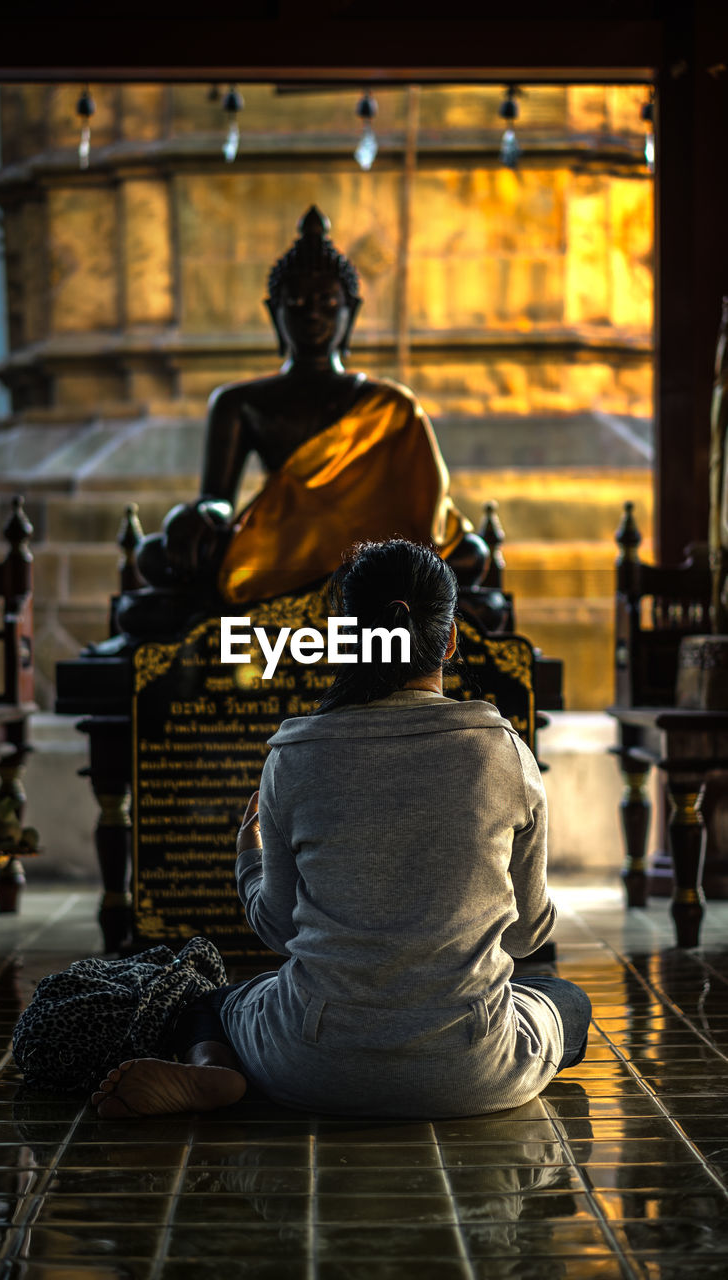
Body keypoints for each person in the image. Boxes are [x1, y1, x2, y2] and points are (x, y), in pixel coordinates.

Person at [92, 538, 591, 1120]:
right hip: (474, 1067)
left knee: (206, 1003)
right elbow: (528, 935)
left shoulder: (293, 756)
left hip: (308, 1058)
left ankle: (213, 1069)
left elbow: (279, 931)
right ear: (450, 639)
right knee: (565, 1000)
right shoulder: (503, 752)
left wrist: (248, 860)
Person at [134, 207, 488, 612]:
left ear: (349, 312)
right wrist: (197, 513)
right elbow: (219, 499)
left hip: (368, 554)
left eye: (327, 301)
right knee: (156, 556)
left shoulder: (391, 405)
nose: (312, 313)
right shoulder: (238, 402)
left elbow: (424, 513)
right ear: (274, 312)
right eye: (297, 301)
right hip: (279, 549)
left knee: (470, 555)